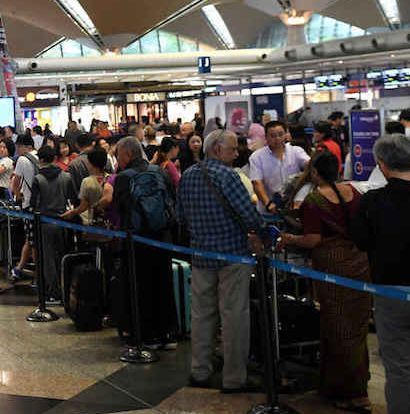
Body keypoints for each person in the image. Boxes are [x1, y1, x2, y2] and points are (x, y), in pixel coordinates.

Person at [351, 135, 410, 414]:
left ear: (381, 164)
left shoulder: (373, 201)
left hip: (392, 292)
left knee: (398, 372)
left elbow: (362, 242)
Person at [280, 152, 371, 413]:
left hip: (332, 266)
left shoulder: (314, 200)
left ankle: (354, 394)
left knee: (338, 325)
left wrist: (289, 238)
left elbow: (313, 240)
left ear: (316, 174)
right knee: (356, 326)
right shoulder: (356, 192)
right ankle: (339, 385)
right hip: (360, 263)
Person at [178, 130, 265, 393]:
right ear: (216, 149)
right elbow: (248, 215)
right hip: (233, 255)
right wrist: (262, 231)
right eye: (232, 149)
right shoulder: (229, 176)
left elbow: (180, 217)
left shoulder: (188, 175)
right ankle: (234, 378)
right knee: (234, 316)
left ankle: (200, 371)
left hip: (201, 255)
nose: (237, 154)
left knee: (202, 315)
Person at [111, 136, 177, 350]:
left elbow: (119, 209)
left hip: (136, 241)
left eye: (118, 155)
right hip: (162, 238)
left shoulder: (123, 177)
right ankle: (168, 333)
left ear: (128, 154)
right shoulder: (161, 172)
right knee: (164, 283)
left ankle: (147, 336)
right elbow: (172, 202)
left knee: (140, 286)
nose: (117, 159)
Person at [30, 144, 78, 302]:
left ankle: (53, 291)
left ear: (41, 160)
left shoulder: (38, 179)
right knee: (63, 255)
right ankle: (66, 289)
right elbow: (72, 199)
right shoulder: (66, 176)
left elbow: (34, 204)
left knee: (47, 258)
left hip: (44, 223)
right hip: (64, 221)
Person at [248, 120, 310, 213]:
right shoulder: (257, 157)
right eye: (272, 136)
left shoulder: (296, 151)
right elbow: (257, 183)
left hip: (292, 208)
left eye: (280, 134)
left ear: (286, 135)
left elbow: (311, 166)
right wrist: (268, 203)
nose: (277, 138)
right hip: (268, 209)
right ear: (266, 137)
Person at [9, 134, 38, 281]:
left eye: (18, 147)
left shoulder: (22, 159)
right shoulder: (38, 156)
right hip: (41, 204)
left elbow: (16, 182)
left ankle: (39, 276)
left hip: (28, 205)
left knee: (33, 241)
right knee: (30, 239)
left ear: (23, 146)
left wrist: (17, 196)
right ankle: (19, 269)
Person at [62, 148, 112, 226]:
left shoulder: (87, 182)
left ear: (91, 164)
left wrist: (72, 212)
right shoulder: (111, 178)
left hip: (92, 222)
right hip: (109, 222)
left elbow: (83, 206)